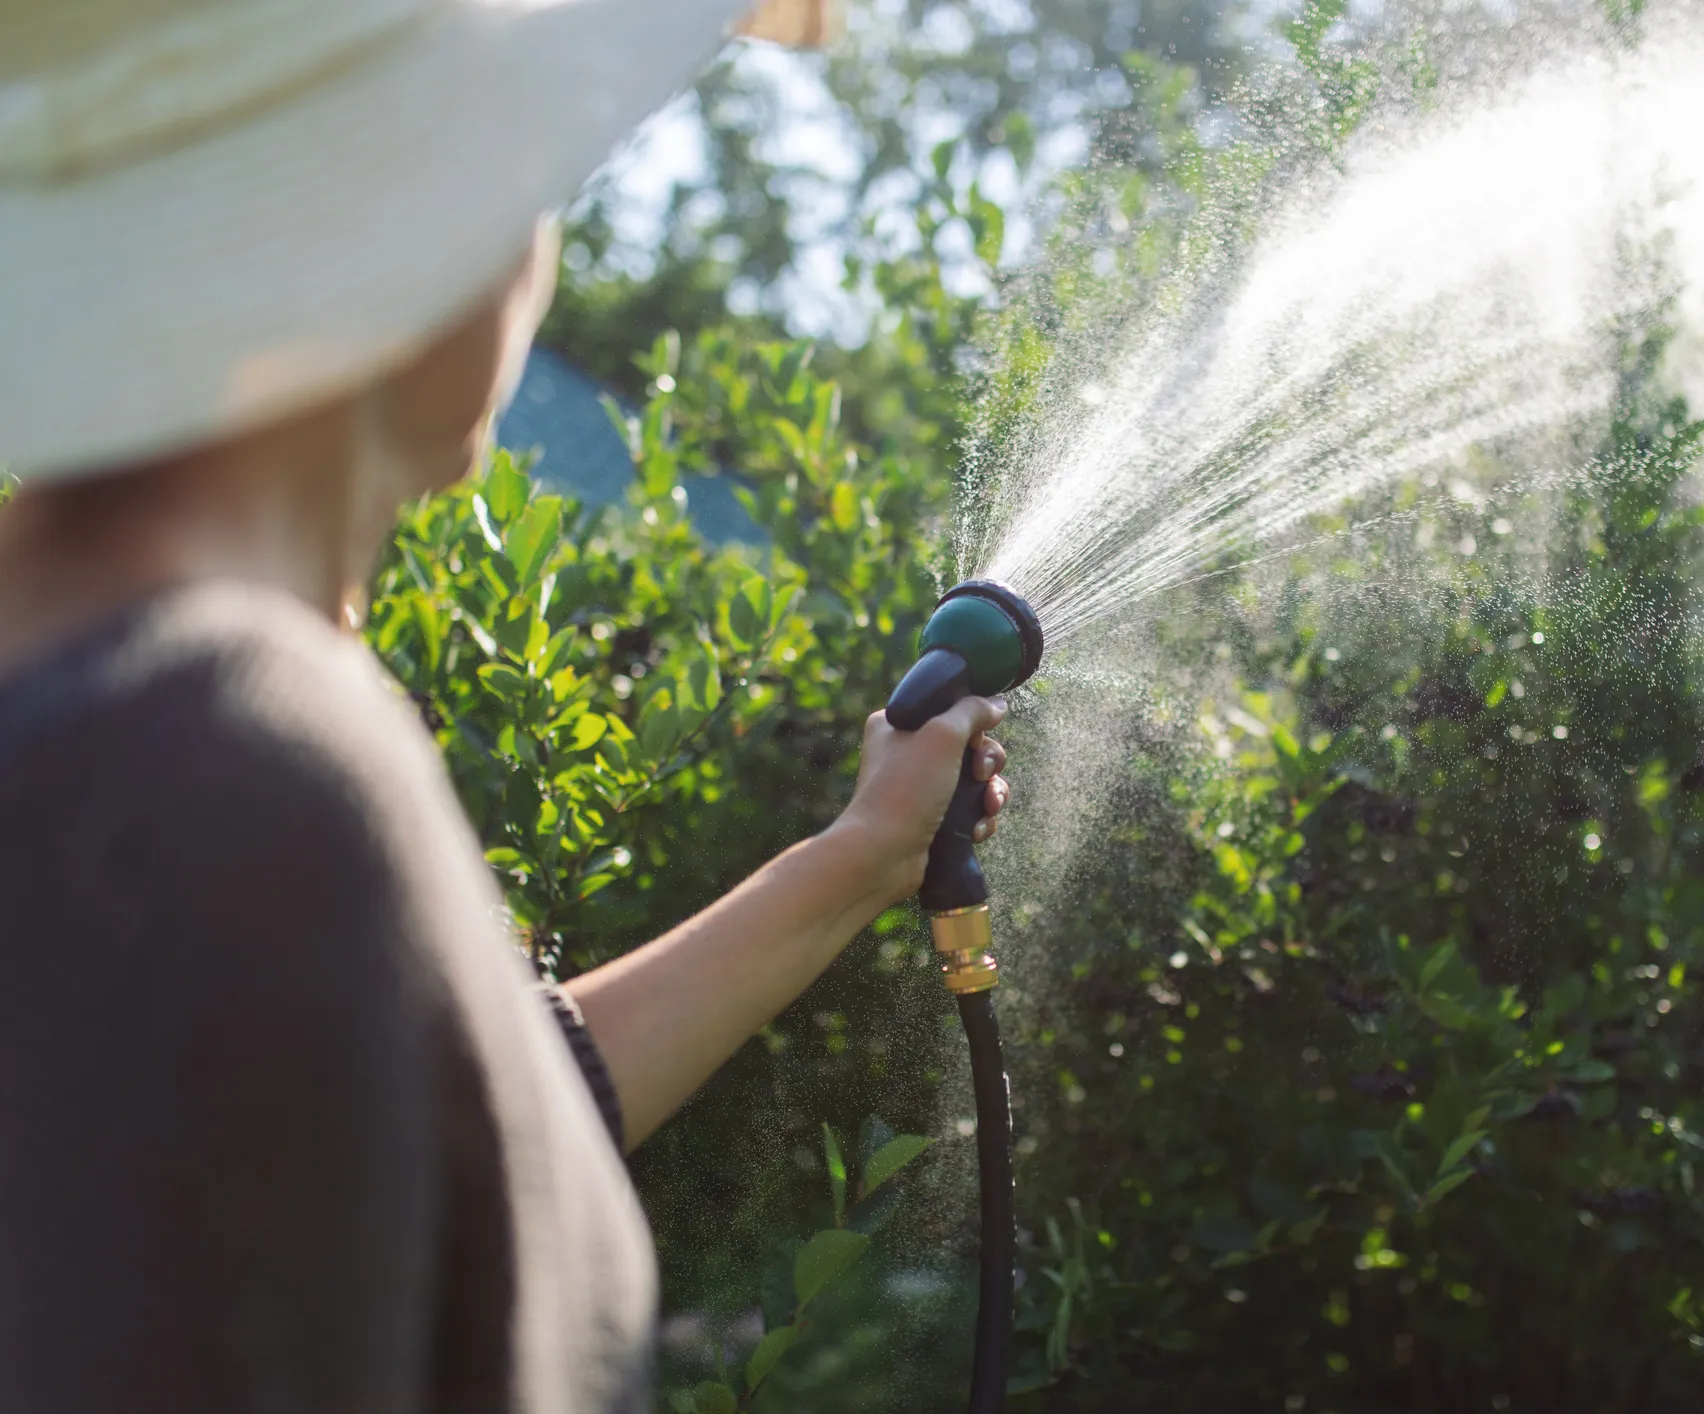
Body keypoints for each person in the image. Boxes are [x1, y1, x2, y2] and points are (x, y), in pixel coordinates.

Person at [0, 1, 1008, 1409]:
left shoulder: (131, 725)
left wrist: (855, 863)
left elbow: (452, 1140)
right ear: (412, 242)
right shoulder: (221, 758)